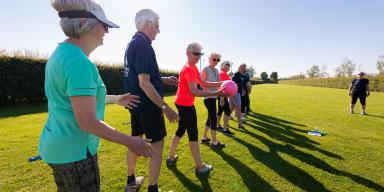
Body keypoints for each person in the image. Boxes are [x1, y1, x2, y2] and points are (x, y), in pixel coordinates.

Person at [39, 1, 153, 191]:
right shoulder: (79, 62)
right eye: (104, 25)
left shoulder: (61, 54)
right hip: (76, 153)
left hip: (56, 148)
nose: (106, 32)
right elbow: (87, 122)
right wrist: (131, 141)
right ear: (84, 24)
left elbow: (77, 100)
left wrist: (115, 99)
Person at [123, 8, 179, 192]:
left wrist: (162, 79)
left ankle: (131, 182)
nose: (158, 31)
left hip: (136, 105)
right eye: (157, 26)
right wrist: (165, 107)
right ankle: (152, 188)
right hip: (149, 105)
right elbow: (145, 83)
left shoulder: (132, 43)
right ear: (147, 24)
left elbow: (141, 76)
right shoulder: (144, 45)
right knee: (157, 144)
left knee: (135, 141)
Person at [166, 42, 228, 175]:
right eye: (195, 53)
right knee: (193, 134)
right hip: (185, 105)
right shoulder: (188, 68)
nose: (198, 56)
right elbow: (195, 91)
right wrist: (216, 93)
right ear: (187, 53)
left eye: (200, 54)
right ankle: (200, 167)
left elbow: (204, 83)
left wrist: (221, 83)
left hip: (183, 103)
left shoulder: (194, 68)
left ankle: (170, 158)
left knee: (181, 130)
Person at [200, 52, 225, 149]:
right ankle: (214, 143)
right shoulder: (205, 69)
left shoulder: (217, 71)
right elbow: (202, 84)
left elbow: (220, 85)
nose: (216, 62)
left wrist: (221, 97)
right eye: (214, 59)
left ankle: (204, 138)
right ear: (209, 59)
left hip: (214, 97)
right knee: (213, 119)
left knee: (209, 118)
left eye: (218, 60)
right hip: (208, 98)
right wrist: (209, 94)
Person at [217, 61, 233, 135]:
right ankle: (225, 129)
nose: (228, 67)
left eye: (229, 66)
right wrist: (222, 98)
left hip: (222, 95)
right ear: (222, 66)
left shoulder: (224, 74)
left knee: (220, 111)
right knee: (227, 111)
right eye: (227, 65)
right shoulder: (222, 74)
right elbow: (222, 86)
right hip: (222, 95)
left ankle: (217, 126)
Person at [230, 63, 247, 128]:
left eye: (244, 68)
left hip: (237, 93)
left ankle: (225, 121)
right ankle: (240, 124)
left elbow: (239, 84)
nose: (243, 69)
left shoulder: (241, 75)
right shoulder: (236, 75)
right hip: (235, 94)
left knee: (231, 108)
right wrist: (233, 95)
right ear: (238, 68)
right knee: (238, 108)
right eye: (242, 68)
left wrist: (242, 89)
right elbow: (233, 85)